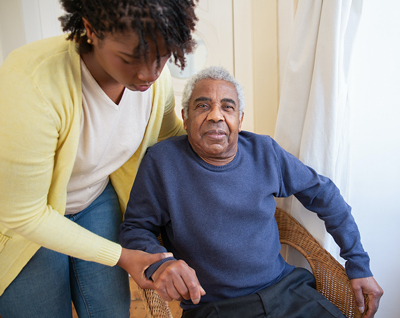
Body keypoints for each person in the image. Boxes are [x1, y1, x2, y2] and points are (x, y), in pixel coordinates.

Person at [119, 66, 384, 318]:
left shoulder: (264, 151)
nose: (215, 116)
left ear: (240, 119)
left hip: (287, 292)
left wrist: (357, 263)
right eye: (202, 106)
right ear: (185, 119)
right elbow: (134, 229)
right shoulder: (162, 162)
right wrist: (160, 263)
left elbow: (324, 194)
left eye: (227, 107)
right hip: (215, 307)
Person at [0, 1, 199, 317]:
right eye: (129, 58)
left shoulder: (156, 85)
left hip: (94, 198)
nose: (148, 73)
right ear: (91, 29)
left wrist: (231, 158)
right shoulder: (32, 81)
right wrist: (121, 256)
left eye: (161, 58)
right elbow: (23, 214)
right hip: (24, 220)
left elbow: (170, 136)